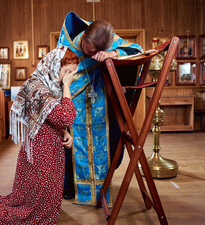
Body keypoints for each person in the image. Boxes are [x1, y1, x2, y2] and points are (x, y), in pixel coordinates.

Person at [0, 46, 79, 225]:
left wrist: (64, 132)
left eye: (73, 74)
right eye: (68, 72)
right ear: (56, 66)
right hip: (41, 153)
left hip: (49, 150)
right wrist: (68, 87)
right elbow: (65, 116)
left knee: (36, 202)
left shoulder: (50, 85)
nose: (69, 77)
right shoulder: (38, 88)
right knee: (30, 210)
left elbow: (48, 118)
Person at [57, 11, 143, 206]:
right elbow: (57, 78)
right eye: (90, 50)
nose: (93, 55)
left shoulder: (104, 38)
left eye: (98, 51)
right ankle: (71, 187)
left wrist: (112, 54)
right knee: (70, 144)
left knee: (108, 140)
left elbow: (137, 49)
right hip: (74, 103)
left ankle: (102, 188)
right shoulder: (65, 45)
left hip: (101, 102)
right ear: (85, 37)